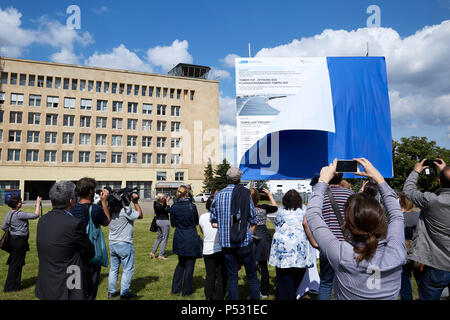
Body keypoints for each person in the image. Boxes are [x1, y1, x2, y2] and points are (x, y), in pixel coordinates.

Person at [306, 158, 406, 300]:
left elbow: (313, 215)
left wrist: (322, 181)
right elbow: (397, 215)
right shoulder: (396, 252)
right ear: (382, 222)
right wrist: (379, 179)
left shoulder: (341, 253)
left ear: (346, 224)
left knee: (325, 282)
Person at [35, 181, 95, 300]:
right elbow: (90, 251)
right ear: (71, 201)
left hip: (47, 280)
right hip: (70, 280)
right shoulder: (74, 223)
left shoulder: (43, 220)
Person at [403, 158, 450, 300]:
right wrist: (444, 170)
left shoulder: (431, 200)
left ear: (439, 182)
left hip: (435, 264)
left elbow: (408, 190)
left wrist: (416, 171)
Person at [210, 167, 260, 300]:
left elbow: (213, 220)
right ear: (239, 179)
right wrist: (249, 233)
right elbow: (254, 218)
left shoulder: (218, 195)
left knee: (232, 276)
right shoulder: (245, 194)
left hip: (226, 243)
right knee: (251, 275)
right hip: (243, 241)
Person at [269, 189, 316, 300]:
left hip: (283, 251)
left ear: (285, 200)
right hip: (299, 251)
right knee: (296, 277)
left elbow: (277, 223)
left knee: (283, 278)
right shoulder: (305, 211)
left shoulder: (281, 211)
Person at [70, 177, 111, 300]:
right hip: (91, 256)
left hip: (74, 255)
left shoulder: (72, 208)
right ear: (90, 192)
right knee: (89, 292)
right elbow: (106, 221)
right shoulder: (95, 209)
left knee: (74, 290)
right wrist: (104, 201)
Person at [317, 171, 354, 300]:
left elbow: (307, 221)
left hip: (326, 243)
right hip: (347, 244)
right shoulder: (351, 195)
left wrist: (315, 242)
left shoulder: (320, 195)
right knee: (348, 283)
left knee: (326, 283)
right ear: (342, 178)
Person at [107, 191, 143, 299]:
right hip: (125, 243)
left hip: (113, 243)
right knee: (128, 269)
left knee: (113, 269)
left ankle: (111, 292)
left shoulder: (110, 211)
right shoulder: (125, 210)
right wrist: (135, 202)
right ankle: (125, 293)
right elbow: (140, 215)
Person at [2, 196, 41, 292]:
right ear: (16, 204)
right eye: (19, 201)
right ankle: (11, 287)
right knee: (16, 264)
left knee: (15, 263)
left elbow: (4, 227)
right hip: (20, 241)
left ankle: (15, 285)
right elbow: (36, 215)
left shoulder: (9, 214)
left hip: (13, 240)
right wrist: (38, 204)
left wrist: (13, 231)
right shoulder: (20, 214)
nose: (21, 202)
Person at [170, 185, 201, 297]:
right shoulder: (192, 206)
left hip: (180, 235)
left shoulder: (174, 207)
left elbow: (173, 224)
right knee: (189, 264)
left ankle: (175, 289)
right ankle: (186, 291)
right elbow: (196, 221)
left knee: (181, 263)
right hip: (190, 235)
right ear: (187, 194)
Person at [249, 187, 278, 298]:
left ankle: (257, 290)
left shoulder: (245, 208)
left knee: (253, 265)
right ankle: (264, 291)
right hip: (264, 235)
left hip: (252, 234)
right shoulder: (264, 208)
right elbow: (275, 207)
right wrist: (269, 194)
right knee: (263, 265)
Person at [199, 196, 227, 300]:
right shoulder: (222, 216)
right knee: (220, 275)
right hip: (219, 247)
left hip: (207, 248)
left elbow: (201, 230)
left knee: (210, 275)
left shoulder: (202, 217)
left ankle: (209, 297)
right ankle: (220, 296)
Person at [398, 192, 421, 300]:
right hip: (417, 252)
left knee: (405, 284)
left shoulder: (398, 218)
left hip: (402, 253)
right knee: (421, 283)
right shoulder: (419, 216)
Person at [150, 193, 171, 260]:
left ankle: (153, 253)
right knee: (165, 238)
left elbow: (163, 208)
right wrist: (167, 203)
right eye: (164, 198)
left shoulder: (156, 204)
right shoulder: (159, 206)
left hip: (158, 221)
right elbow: (168, 210)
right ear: (161, 199)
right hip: (164, 222)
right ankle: (161, 255)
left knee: (159, 237)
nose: (165, 198)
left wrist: (165, 202)